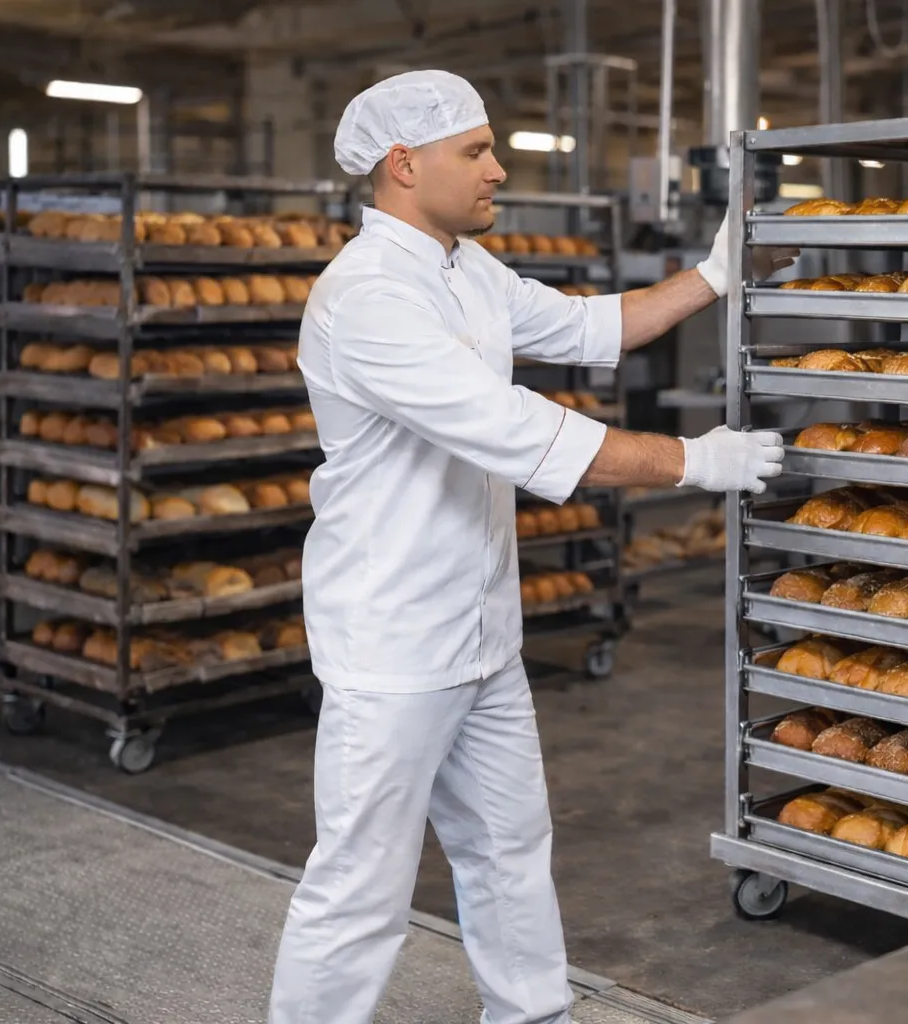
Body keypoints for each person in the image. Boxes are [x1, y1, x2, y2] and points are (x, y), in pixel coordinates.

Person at [268, 70, 794, 1024]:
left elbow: (594, 328)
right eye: (475, 152)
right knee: (361, 889)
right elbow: (514, 429)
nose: (497, 168)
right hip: (393, 644)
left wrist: (714, 274)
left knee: (510, 847)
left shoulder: (468, 270)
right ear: (403, 164)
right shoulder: (368, 297)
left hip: (482, 632)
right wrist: (694, 461)